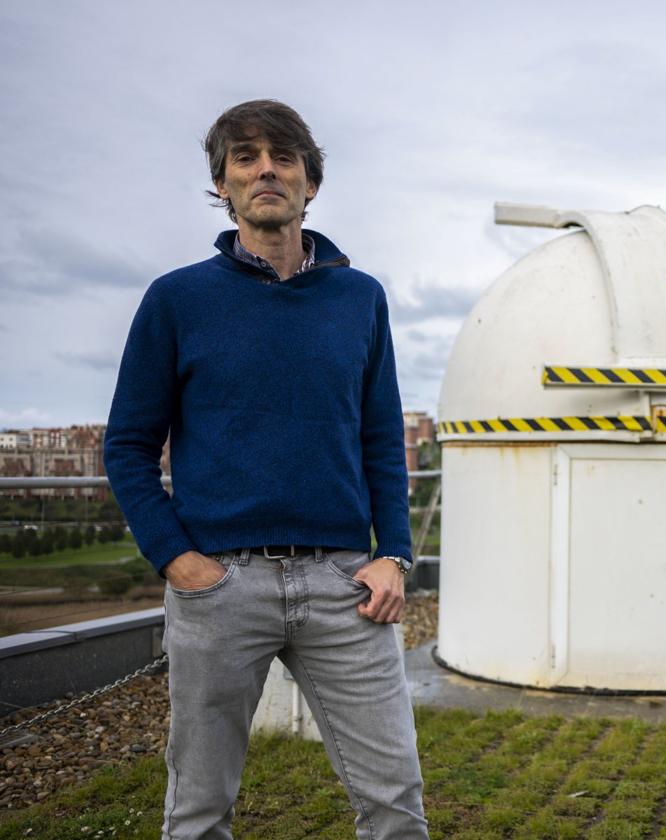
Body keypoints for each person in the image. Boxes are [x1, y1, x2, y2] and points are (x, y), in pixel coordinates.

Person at [104, 99, 428, 839]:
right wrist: (177, 560)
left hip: (346, 586)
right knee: (197, 811)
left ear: (312, 183)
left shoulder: (361, 298)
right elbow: (126, 443)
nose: (266, 170)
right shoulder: (177, 300)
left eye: (283, 158)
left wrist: (394, 556)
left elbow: (381, 439)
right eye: (245, 158)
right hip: (221, 585)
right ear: (222, 185)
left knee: (394, 803)